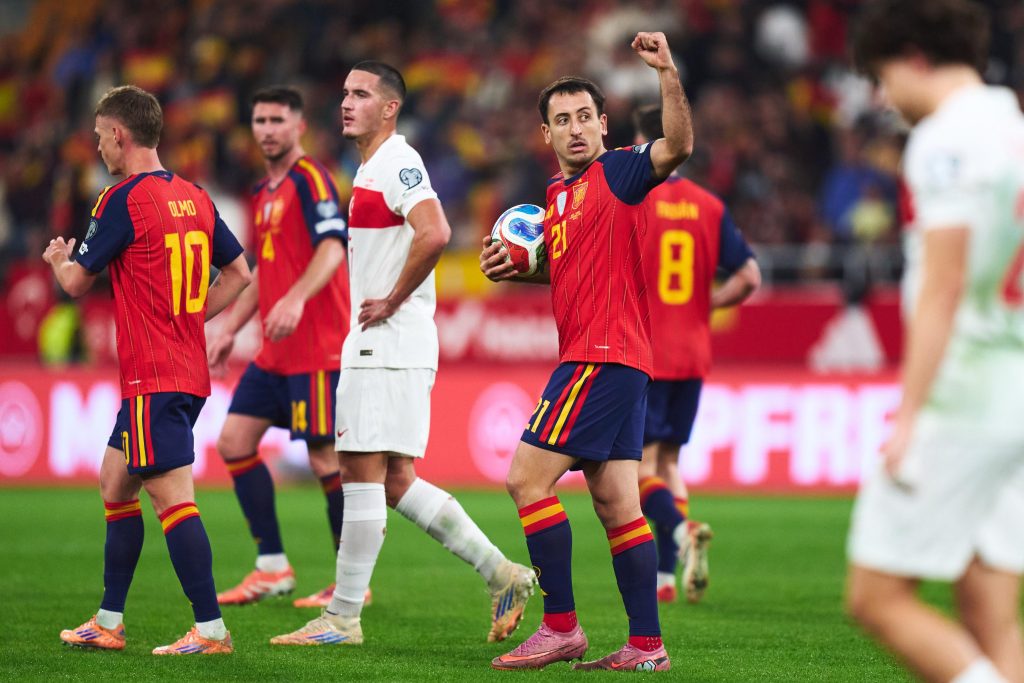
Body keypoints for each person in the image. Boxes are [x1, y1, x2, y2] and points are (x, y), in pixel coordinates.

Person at [270, 61, 535, 647]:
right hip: (390, 342)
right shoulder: (372, 167)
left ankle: (342, 618)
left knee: (359, 472)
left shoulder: (396, 161)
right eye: (345, 92)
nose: (347, 102)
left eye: (361, 94)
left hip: (385, 340)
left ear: (390, 108)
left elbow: (435, 231)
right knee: (394, 480)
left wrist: (391, 298)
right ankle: (502, 573)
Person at [480, 32, 692, 671]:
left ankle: (562, 627)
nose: (575, 129)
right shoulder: (555, 197)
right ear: (546, 133)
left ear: (604, 124)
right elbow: (571, 267)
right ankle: (647, 646)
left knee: (525, 480)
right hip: (620, 361)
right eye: (562, 120)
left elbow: (679, 145)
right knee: (617, 503)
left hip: (600, 355)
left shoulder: (621, 171)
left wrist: (666, 71)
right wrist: (522, 269)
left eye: (584, 117)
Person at [846, 2, 1024, 682]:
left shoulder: (946, 141)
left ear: (915, 57)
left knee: (877, 598)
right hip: (1014, 389)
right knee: (988, 609)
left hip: (963, 393)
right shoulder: (1012, 128)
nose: (885, 97)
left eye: (884, 76)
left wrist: (910, 415)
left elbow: (942, 289)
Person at [52, 85, 252, 654]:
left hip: (152, 378)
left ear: (119, 135)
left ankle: (211, 630)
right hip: (182, 372)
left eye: (99, 137)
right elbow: (239, 273)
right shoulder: (195, 195)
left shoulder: (120, 200)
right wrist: (189, 318)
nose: (98, 148)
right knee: (115, 482)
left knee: (173, 499)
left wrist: (59, 259)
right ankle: (108, 621)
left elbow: (76, 283)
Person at [208, 86, 355, 609]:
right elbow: (263, 272)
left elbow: (333, 247)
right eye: (260, 120)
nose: (267, 130)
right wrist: (229, 328)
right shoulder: (263, 191)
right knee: (234, 442)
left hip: (316, 347)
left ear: (299, 126)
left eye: (277, 120)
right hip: (274, 352)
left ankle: (350, 582)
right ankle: (272, 567)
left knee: (324, 458)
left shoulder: (311, 178)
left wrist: (295, 298)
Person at [632, 104, 760, 604]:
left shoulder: (635, 198)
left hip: (646, 352)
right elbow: (749, 277)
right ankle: (666, 576)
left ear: (645, 143)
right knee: (669, 461)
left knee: (640, 467)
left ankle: (682, 532)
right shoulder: (709, 205)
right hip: (692, 351)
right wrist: (706, 306)